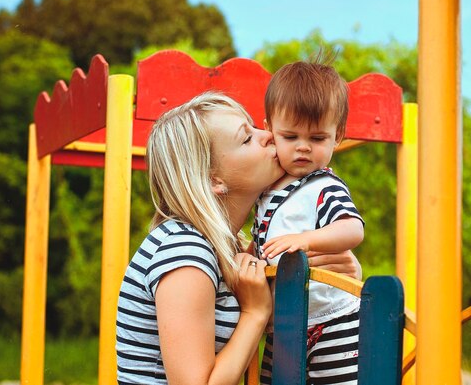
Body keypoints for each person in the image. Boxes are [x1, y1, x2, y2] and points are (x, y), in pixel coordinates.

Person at [116, 92, 361, 385]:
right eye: (246, 138)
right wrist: (255, 311)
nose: (268, 136)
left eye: (256, 127)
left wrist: (334, 278)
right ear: (213, 179)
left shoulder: (222, 247)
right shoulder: (184, 253)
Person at [253, 60, 364, 385]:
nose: (303, 147)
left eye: (317, 138)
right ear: (270, 130)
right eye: (290, 136)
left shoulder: (323, 186)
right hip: (285, 320)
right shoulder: (266, 189)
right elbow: (262, 240)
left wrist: (307, 239)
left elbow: (352, 228)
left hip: (333, 318)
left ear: (337, 137)